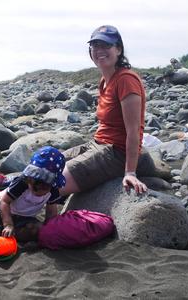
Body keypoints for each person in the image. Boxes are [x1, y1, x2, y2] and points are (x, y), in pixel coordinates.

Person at [59, 25, 148, 197]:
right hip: (98, 144)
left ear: (119, 49)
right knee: (45, 166)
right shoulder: (104, 80)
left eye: (106, 45)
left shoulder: (126, 80)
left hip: (116, 153)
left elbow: (133, 131)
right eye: (95, 46)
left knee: (48, 184)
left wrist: (130, 172)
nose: (99, 50)